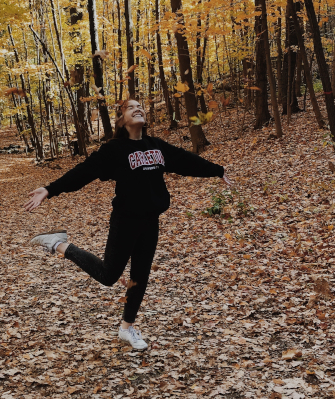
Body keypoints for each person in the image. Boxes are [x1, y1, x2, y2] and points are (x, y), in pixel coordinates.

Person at [24, 99, 233, 350]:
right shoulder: (115, 149)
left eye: (140, 106)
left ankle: (127, 328)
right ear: (121, 120)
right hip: (125, 220)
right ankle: (58, 243)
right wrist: (50, 189)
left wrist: (217, 170)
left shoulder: (156, 146)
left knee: (140, 276)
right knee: (109, 275)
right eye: (130, 107)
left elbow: (185, 160)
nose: (138, 108)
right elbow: (84, 172)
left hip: (151, 220)